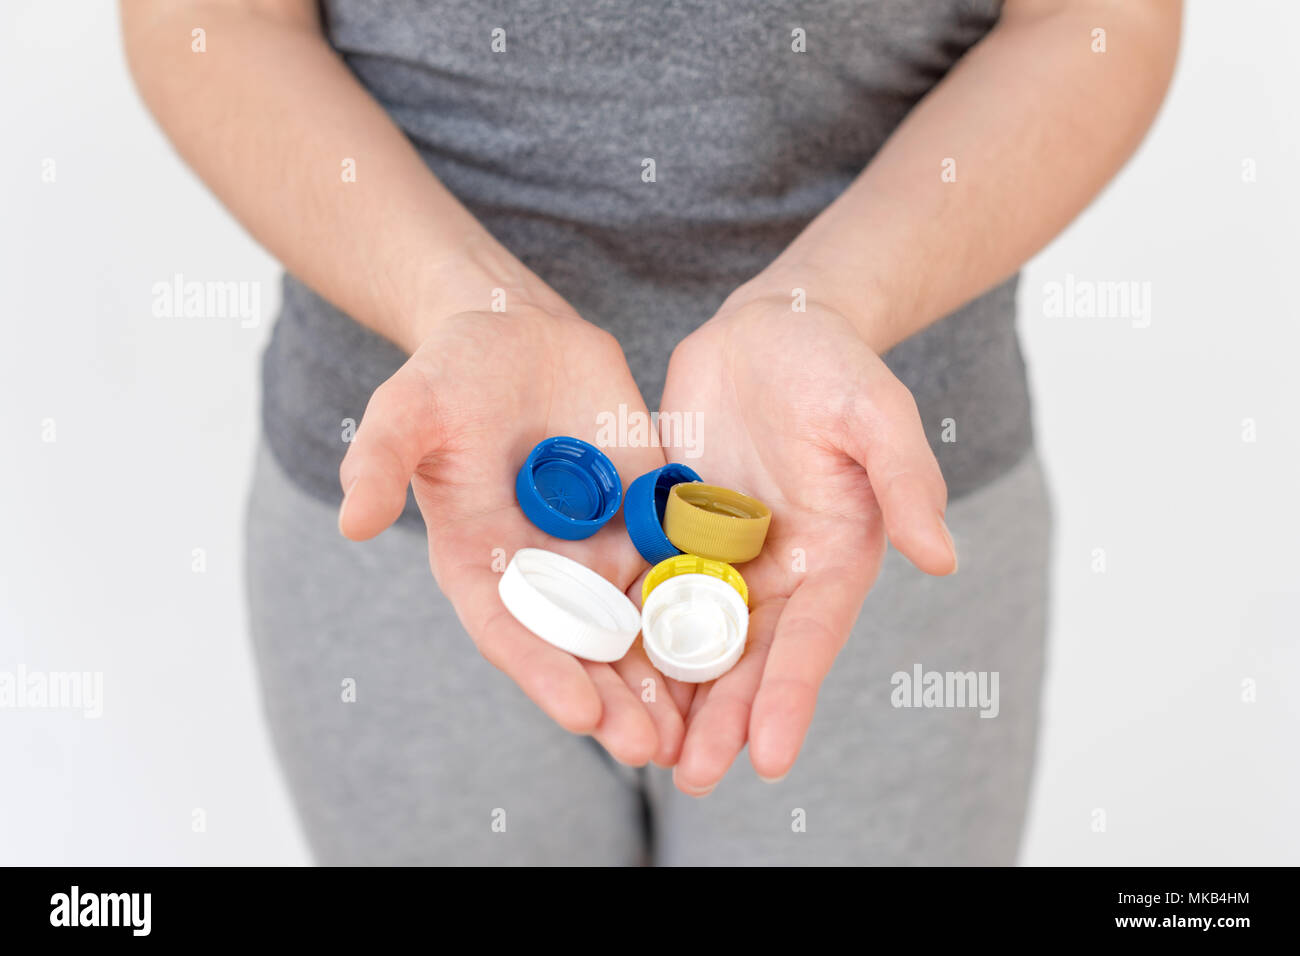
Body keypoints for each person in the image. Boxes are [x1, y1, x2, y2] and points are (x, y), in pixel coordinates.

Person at [121, 0, 1181, 864]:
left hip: (851, 512)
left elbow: (1093, 22)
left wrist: (831, 301)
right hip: (426, 488)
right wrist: (459, 303)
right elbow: (212, 22)